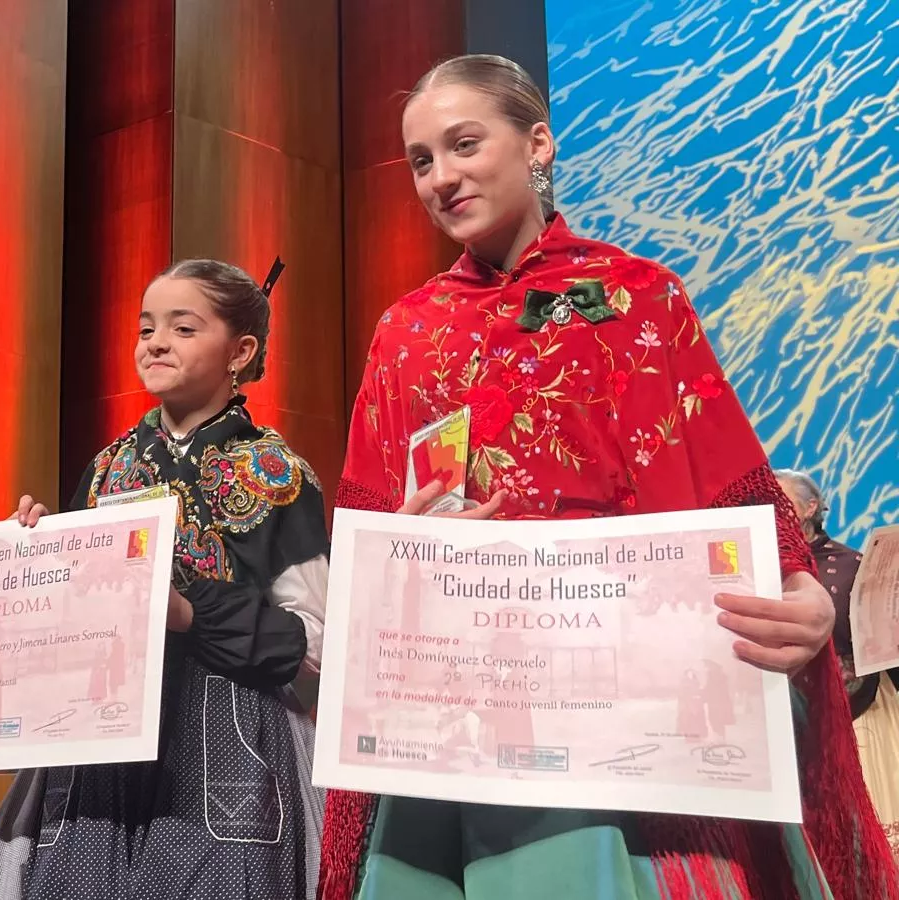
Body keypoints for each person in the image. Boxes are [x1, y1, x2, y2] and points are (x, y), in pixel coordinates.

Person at [317, 54, 896, 900]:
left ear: (537, 144)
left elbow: (725, 477)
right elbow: (364, 525)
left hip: (628, 716)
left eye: (464, 144)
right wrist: (406, 547)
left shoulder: (640, 298)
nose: (441, 177)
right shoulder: (407, 332)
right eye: (421, 160)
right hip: (460, 718)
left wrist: (801, 587)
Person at [0, 259, 330, 900]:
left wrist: (189, 614)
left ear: (240, 351)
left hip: (228, 742)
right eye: (146, 328)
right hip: (100, 748)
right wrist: (36, 556)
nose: (156, 342)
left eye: (183, 327)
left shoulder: (276, 473)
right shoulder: (108, 467)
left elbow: (311, 643)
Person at [777, 468, 899, 858]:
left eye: (782, 500)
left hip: (855, 717)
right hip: (786, 726)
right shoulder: (757, 563)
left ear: (811, 506)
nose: (773, 509)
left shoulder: (853, 566)